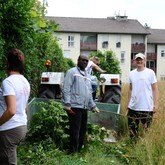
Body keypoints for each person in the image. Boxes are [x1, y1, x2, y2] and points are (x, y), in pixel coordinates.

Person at [62, 55, 99, 154]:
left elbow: (89, 93)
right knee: (75, 130)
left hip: (84, 107)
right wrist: (67, 103)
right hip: (74, 107)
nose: (85, 62)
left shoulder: (87, 75)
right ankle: (72, 152)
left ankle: (78, 151)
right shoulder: (72, 72)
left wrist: (93, 106)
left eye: (86, 61)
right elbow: (66, 88)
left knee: (82, 130)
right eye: (83, 60)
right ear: (78, 60)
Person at [0, 48, 30, 165]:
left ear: (7, 63)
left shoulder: (8, 82)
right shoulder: (25, 81)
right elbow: (25, 107)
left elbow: (11, 110)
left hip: (9, 128)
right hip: (21, 125)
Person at [127, 53, 158, 139]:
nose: (139, 61)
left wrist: (155, 104)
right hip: (133, 107)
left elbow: (155, 89)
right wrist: (128, 104)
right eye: (137, 59)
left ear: (144, 61)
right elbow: (130, 89)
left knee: (146, 131)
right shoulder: (131, 73)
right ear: (135, 61)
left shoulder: (150, 73)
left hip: (146, 107)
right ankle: (133, 146)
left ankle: (145, 148)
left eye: (141, 59)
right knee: (132, 131)